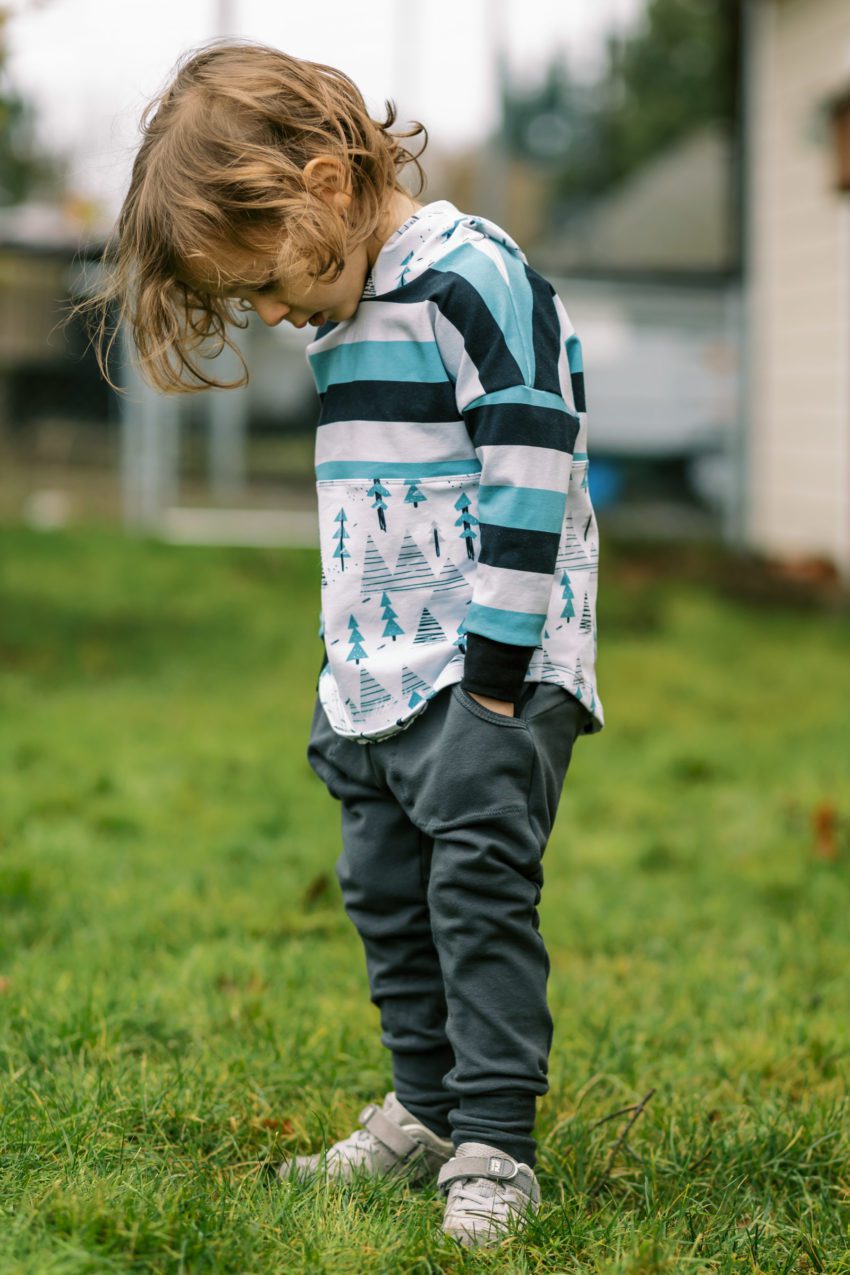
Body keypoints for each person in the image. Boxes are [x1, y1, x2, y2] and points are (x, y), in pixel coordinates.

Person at [83, 39, 605, 1249]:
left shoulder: (470, 274)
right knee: (383, 893)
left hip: (491, 673)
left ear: (324, 181)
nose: (266, 313)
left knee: (475, 896)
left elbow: (531, 458)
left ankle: (494, 1144)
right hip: (376, 676)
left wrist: (491, 674)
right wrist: (345, 665)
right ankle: (423, 1109)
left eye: (261, 281)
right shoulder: (344, 295)